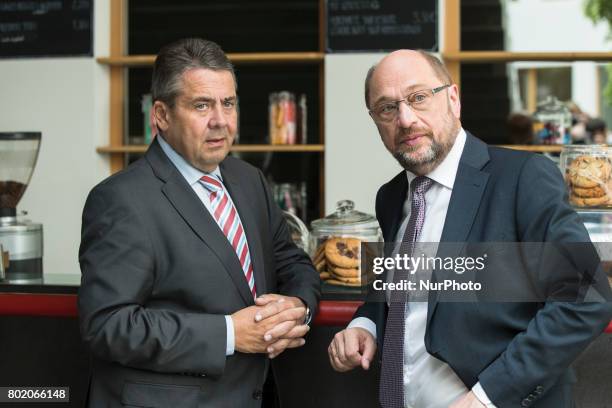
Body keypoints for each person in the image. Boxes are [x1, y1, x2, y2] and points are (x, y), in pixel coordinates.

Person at [327, 49, 612, 408]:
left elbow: (585, 299)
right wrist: (365, 324)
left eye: (418, 97)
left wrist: (486, 398)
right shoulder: (391, 196)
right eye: (387, 108)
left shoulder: (523, 178)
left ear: (453, 98)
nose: (405, 118)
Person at [78, 38, 320, 408]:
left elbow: (291, 260)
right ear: (161, 115)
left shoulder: (249, 179)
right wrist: (229, 334)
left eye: (229, 103)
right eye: (201, 105)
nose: (220, 121)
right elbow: (108, 325)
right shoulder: (120, 200)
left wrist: (297, 306)